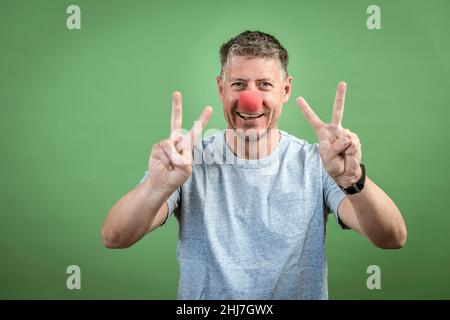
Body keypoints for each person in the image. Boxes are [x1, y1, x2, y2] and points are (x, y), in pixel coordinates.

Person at [101, 30, 407, 299]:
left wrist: (353, 178)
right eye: (238, 84)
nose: (251, 99)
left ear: (285, 90)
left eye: (264, 84)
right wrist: (156, 187)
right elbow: (115, 237)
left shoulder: (319, 164)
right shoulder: (185, 163)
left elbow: (392, 238)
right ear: (221, 89)